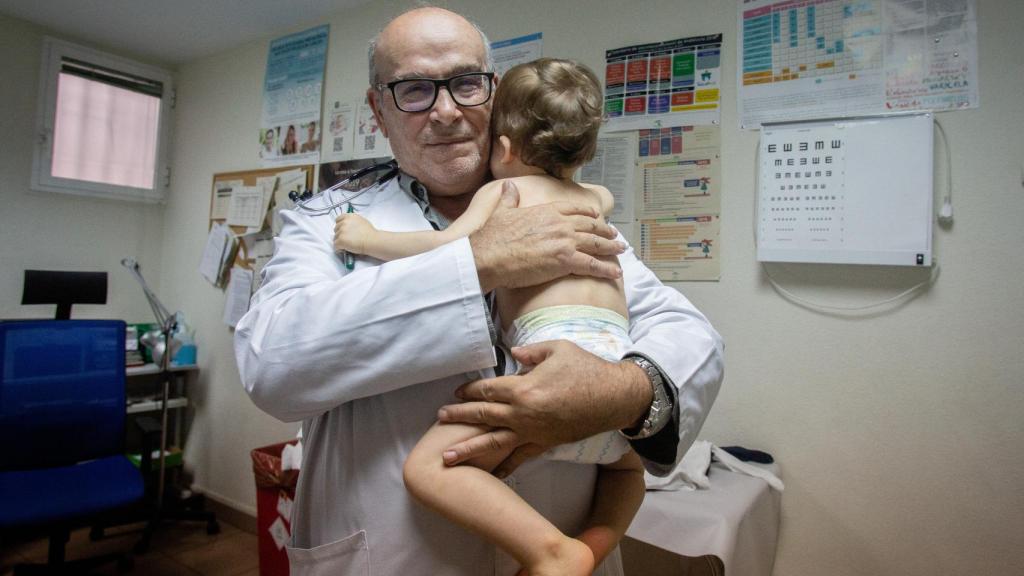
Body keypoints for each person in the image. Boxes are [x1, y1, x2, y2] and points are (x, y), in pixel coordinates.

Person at [234, 7, 723, 576]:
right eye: (414, 89)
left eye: (466, 83)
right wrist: (479, 262)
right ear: (378, 110)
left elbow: (688, 333)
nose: (446, 111)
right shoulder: (328, 221)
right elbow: (272, 364)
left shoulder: (557, 206)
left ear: (494, 92)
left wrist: (618, 389)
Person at [335, 58, 644, 576]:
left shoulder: (503, 193)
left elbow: (447, 248)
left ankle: (552, 551)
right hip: (611, 369)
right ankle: (596, 541)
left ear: (502, 148)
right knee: (628, 470)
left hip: (549, 367)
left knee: (428, 469)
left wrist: (368, 239)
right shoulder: (597, 198)